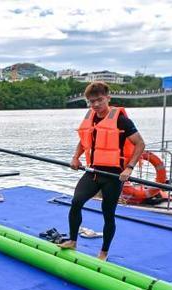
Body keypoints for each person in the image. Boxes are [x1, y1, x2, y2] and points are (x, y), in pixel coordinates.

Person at [58, 81, 146, 261]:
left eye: (99, 100)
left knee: (108, 213)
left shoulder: (121, 119)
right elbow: (85, 140)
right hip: (93, 171)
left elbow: (140, 144)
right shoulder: (90, 117)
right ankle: (73, 240)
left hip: (114, 175)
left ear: (108, 98)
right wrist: (76, 158)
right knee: (76, 202)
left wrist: (129, 168)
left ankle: (104, 252)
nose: (95, 105)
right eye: (91, 101)